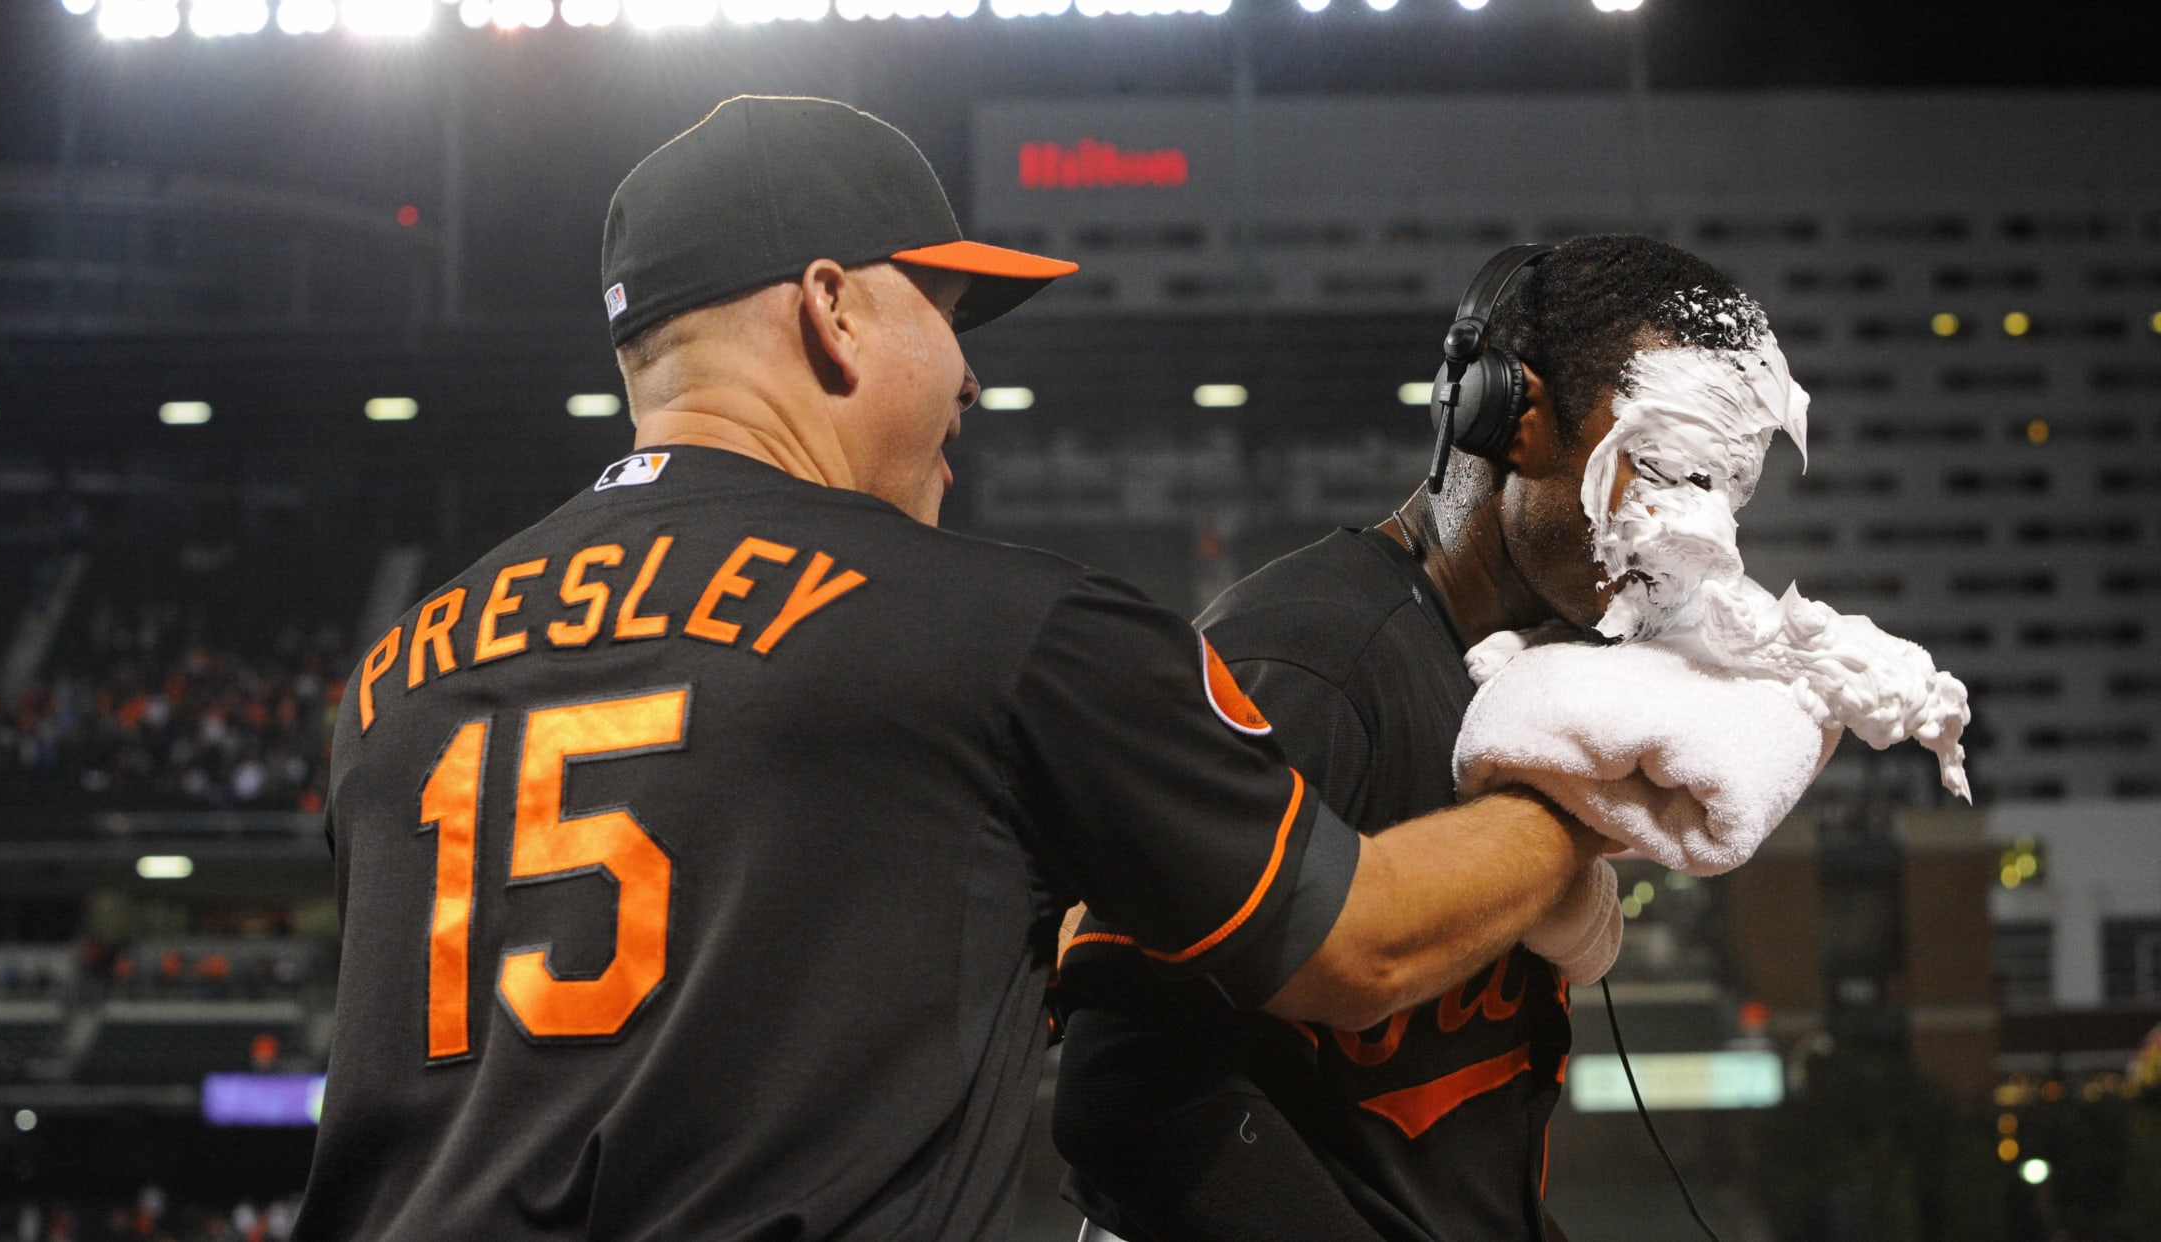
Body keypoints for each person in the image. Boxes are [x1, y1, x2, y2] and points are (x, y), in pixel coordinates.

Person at [292, 96, 1605, 1241]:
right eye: (947, 307)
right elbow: (1363, 942)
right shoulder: (1002, 627)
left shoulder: (396, 672)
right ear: (832, 309)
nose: (970, 372)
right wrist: (1579, 803)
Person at [1053, 235, 1784, 1242]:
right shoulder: (1311, 663)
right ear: (1514, 416)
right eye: (1663, 468)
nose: (1694, 535)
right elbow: (1130, 1103)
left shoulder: (1523, 686)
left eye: (1722, 491)